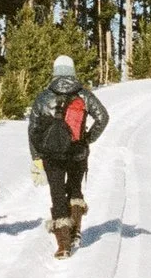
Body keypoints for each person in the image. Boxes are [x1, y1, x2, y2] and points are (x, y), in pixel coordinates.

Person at [27, 54, 108, 259]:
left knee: (57, 194)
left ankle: (63, 245)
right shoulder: (83, 94)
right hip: (77, 151)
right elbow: (103, 117)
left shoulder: (44, 96)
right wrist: (88, 138)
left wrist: (37, 155)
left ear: (54, 71)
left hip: (51, 154)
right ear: (72, 71)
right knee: (74, 189)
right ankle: (76, 231)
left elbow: (33, 129)